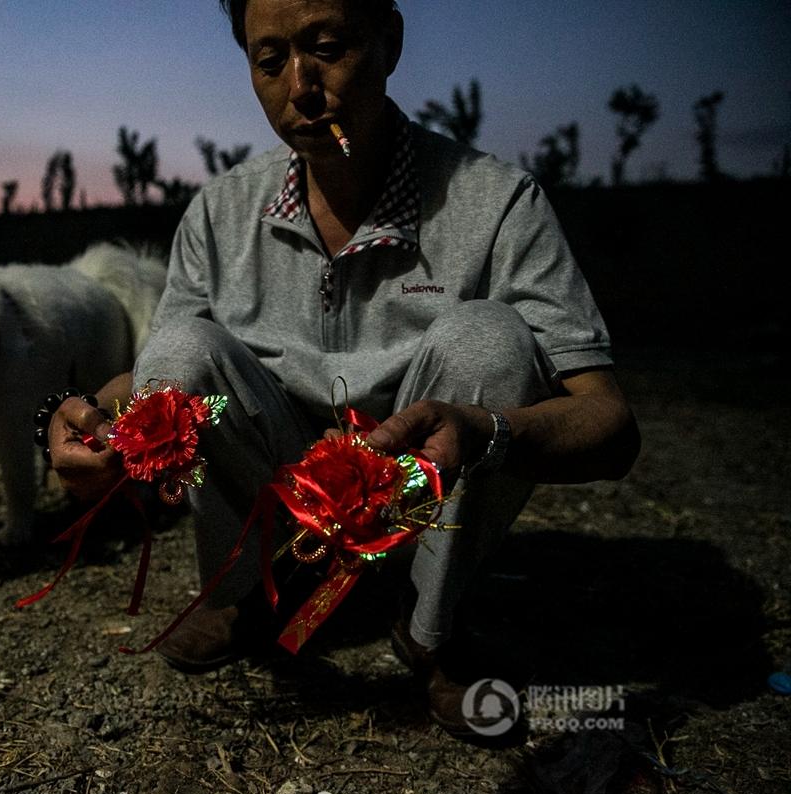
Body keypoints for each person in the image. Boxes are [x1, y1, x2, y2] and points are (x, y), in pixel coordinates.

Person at [45, 0, 640, 735]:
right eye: (270, 62)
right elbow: (153, 375)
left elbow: (609, 421)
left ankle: (429, 627)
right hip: (280, 474)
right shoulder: (220, 213)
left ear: (388, 40)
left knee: (491, 338)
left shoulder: (497, 204)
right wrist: (91, 419)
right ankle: (247, 594)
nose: (301, 85)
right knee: (177, 351)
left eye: (326, 47)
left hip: (419, 486)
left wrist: (486, 430)